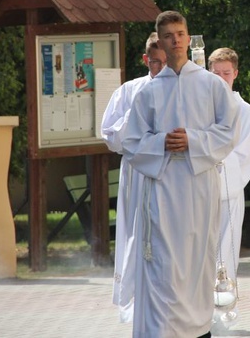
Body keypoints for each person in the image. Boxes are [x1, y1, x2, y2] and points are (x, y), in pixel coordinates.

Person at [120, 11, 240, 338]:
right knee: (163, 265)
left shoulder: (212, 85)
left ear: (188, 37)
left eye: (181, 33)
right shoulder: (147, 93)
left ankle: (198, 328)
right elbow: (130, 142)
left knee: (197, 262)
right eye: (169, 35)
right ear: (159, 41)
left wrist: (193, 140)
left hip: (199, 188)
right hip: (161, 192)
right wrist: (162, 143)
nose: (175, 40)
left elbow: (229, 131)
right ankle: (164, 330)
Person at [100, 32, 167, 321]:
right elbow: (111, 137)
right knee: (137, 233)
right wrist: (134, 116)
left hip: (168, 175)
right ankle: (137, 302)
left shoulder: (182, 89)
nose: (160, 68)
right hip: (137, 173)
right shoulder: (129, 91)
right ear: (145, 60)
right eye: (154, 62)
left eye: (165, 62)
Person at [207, 47, 250, 326]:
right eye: (215, 74)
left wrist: (217, 161)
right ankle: (200, 314)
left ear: (235, 74)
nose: (221, 79)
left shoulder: (244, 111)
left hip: (229, 190)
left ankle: (224, 315)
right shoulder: (201, 107)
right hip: (201, 193)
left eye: (226, 73)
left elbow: (246, 153)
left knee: (225, 253)